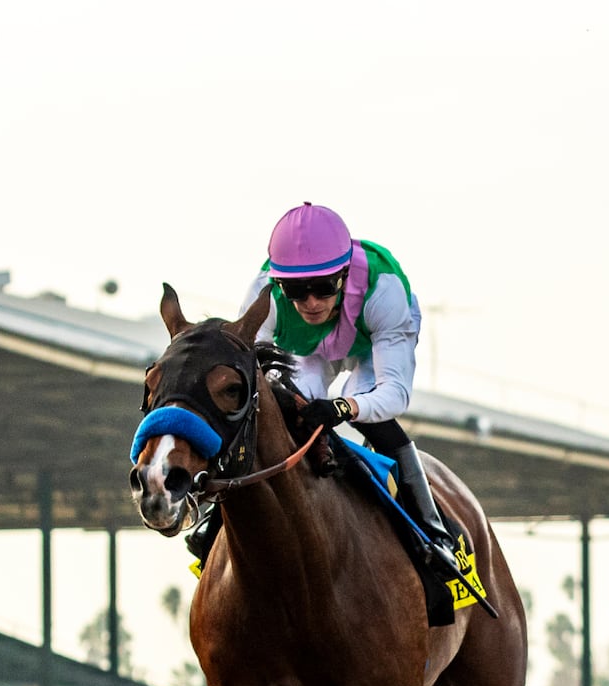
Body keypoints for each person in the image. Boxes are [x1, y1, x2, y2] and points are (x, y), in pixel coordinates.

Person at [187, 202, 474, 622]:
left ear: (343, 274)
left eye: (323, 287)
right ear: (278, 282)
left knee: (363, 422)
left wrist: (342, 406)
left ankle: (434, 536)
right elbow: (249, 375)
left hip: (371, 344)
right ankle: (214, 530)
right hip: (308, 353)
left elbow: (393, 393)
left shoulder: (383, 288)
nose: (310, 301)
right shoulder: (262, 294)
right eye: (296, 291)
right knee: (283, 421)